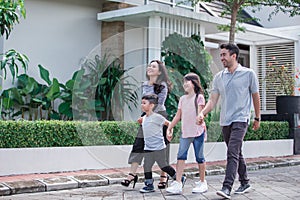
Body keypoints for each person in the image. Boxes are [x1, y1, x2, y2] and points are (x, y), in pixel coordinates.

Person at [197, 43, 261, 199]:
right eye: (221, 55)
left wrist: (257, 117)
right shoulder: (219, 77)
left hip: (241, 118)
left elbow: (255, 96)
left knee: (232, 151)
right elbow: (212, 100)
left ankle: (227, 187)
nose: (221, 58)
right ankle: (245, 182)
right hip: (225, 120)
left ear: (234, 56)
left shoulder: (248, 74)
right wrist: (202, 113)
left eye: (224, 55)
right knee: (236, 152)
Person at [121, 60, 172, 189]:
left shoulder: (162, 86)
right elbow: (145, 103)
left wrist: (147, 116)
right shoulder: (144, 85)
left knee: (162, 147)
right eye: (149, 65)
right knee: (139, 144)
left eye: (153, 66)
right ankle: (132, 174)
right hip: (146, 117)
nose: (150, 68)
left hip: (159, 116)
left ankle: (163, 176)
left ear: (159, 71)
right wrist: (144, 117)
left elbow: (158, 104)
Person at [166, 73, 208, 194]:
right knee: (181, 156)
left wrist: (200, 119)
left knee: (199, 157)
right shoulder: (183, 99)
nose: (184, 84)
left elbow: (201, 113)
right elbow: (178, 115)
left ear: (194, 83)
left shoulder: (199, 97)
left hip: (197, 132)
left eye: (187, 82)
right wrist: (170, 127)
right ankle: (178, 183)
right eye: (184, 82)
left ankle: (202, 182)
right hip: (186, 133)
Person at [138, 94, 177, 193]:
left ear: (151, 105)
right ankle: (149, 185)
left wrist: (169, 132)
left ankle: (178, 177)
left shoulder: (157, 117)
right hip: (148, 147)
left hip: (159, 147)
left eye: (144, 103)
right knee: (146, 166)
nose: (142, 105)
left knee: (163, 166)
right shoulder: (144, 118)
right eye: (141, 103)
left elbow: (169, 124)